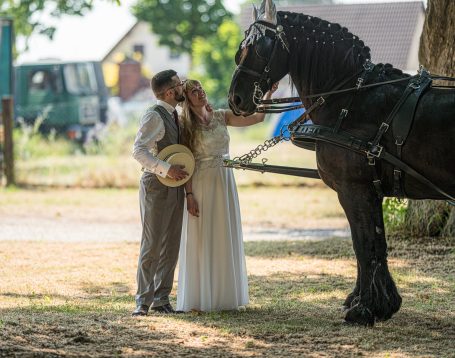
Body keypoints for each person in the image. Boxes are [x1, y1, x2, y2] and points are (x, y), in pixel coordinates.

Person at [176, 79, 278, 312]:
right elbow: (187, 162)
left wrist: (267, 95)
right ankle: (201, 297)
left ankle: (225, 296)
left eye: (201, 88)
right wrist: (189, 194)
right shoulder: (185, 126)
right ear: (187, 99)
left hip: (225, 181)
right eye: (194, 91)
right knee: (202, 236)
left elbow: (257, 118)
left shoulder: (222, 115)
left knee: (224, 232)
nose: (201, 92)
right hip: (201, 182)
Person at [131, 69, 189, 316]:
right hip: (155, 184)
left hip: (175, 186)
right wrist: (166, 169)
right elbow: (138, 151)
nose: (182, 87)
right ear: (169, 91)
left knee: (171, 245)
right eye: (179, 84)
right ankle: (142, 302)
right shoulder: (154, 116)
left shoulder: (174, 114)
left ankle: (162, 299)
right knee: (152, 244)